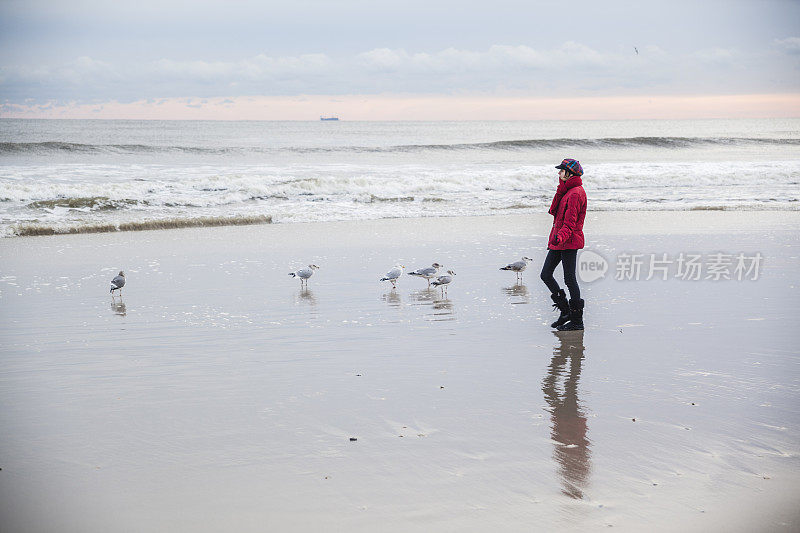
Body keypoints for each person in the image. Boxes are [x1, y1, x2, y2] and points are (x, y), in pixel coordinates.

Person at [540, 158, 587, 331]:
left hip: (568, 240)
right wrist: (561, 187)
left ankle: (577, 321)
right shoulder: (567, 191)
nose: (558, 173)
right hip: (559, 240)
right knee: (545, 275)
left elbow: (571, 223)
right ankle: (565, 311)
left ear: (570, 173)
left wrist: (560, 237)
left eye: (561, 171)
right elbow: (554, 211)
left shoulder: (575, 193)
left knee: (569, 279)